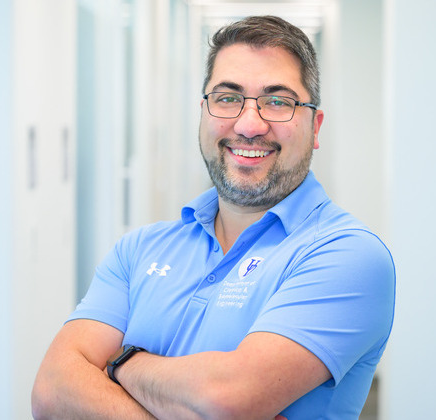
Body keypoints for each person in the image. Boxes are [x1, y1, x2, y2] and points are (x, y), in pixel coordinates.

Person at [32, 15, 395, 420]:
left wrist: (121, 363)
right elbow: (52, 390)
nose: (249, 125)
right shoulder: (139, 249)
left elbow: (225, 401)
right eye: (227, 98)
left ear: (315, 126)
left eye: (278, 101)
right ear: (204, 113)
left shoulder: (349, 256)